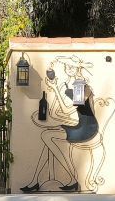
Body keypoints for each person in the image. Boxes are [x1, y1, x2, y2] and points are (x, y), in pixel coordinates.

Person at [21, 58, 105, 192]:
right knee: (48, 137)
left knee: (47, 136)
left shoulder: (84, 87)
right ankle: (35, 182)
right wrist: (57, 86)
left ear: (78, 69)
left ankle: (72, 180)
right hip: (80, 125)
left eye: (72, 67)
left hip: (88, 129)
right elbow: (63, 110)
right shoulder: (73, 87)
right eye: (67, 67)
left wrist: (60, 90)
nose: (69, 69)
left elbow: (72, 105)